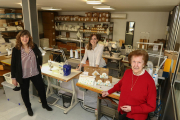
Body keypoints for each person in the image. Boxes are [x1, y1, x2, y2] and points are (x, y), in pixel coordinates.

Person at [102, 50, 156, 120]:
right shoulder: (127, 73)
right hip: (122, 112)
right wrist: (108, 92)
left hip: (137, 117)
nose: (136, 65)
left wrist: (132, 109)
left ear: (144, 64)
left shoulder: (149, 81)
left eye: (139, 62)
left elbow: (152, 106)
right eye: (134, 61)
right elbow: (119, 85)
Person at [11, 30, 52, 116]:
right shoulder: (16, 50)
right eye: (23, 37)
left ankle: (44, 104)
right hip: (23, 75)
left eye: (26, 37)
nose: (25, 39)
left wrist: (40, 64)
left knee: (41, 88)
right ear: (19, 38)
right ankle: (28, 108)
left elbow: (40, 54)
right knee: (24, 92)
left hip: (35, 73)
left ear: (29, 38)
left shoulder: (33, 46)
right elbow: (13, 65)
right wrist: (13, 78)